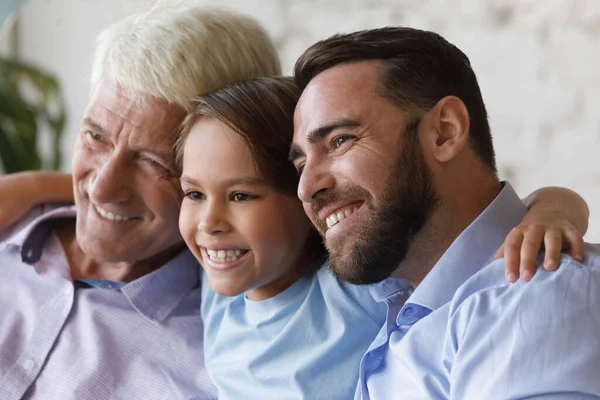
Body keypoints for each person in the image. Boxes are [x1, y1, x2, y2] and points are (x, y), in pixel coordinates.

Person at [2, 72, 590, 400]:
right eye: (192, 192)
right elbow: (117, 194)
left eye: (243, 195)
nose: (209, 220)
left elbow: (465, 228)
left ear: (308, 197)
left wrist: (554, 209)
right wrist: (30, 188)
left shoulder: (353, 286)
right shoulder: (216, 274)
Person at [291, 27, 600, 399]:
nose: (306, 188)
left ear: (444, 132)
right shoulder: (396, 311)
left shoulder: (532, 294)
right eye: (300, 164)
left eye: (340, 140)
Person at [0, 3, 280, 399]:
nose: (100, 189)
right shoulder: (9, 216)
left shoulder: (222, 368)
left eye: (152, 163)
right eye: (95, 137)